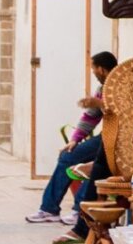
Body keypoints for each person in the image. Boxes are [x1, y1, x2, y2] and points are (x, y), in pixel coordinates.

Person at [29, 50, 116, 224]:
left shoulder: (122, 85)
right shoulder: (102, 88)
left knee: (96, 166)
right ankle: (49, 209)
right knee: (68, 156)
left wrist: (99, 103)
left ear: (101, 69)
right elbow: (91, 117)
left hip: (119, 139)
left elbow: (127, 112)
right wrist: (75, 140)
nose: (93, 72)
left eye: (93, 69)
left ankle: (79, 210)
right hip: (104, 137)